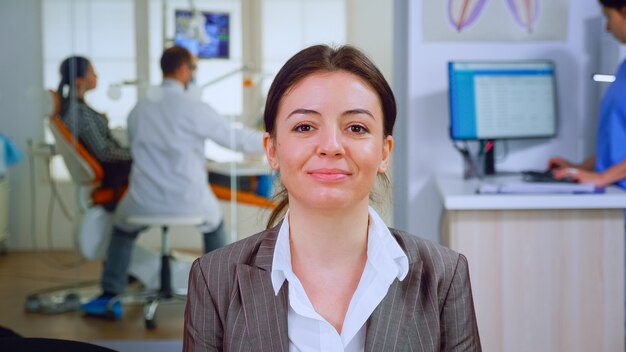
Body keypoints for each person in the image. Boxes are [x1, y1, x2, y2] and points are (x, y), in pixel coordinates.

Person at [183, 44, 481, 351]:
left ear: (384, 152)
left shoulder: (444, 276)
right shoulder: (214, 280)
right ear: (272, 150)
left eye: (356, 127)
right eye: (305, 127)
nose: (331, 146)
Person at [81, 46, 265, 319]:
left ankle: (110, 296)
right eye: (193, 67)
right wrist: (275, 139)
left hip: (143, 199)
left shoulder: (138, 108)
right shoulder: (194, 107)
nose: (193, 73)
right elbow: (233, 138)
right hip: (189, 200)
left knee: (121, 230)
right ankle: (222, 296)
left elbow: (134, 147)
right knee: (214, 225)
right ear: (182, 69)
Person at [549, 0, 626, 188]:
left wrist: (602, 178)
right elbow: (616, 142)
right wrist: (579, 168)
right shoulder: (623, 68)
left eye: (608, 16)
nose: (607, 28)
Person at [57, 56, 131, 210]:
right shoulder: (79, 112)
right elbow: (104, 152)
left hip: (113, 170)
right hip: (113, 173)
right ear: (78, 80)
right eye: (91, 72)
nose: (96, 76)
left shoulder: (76, 109)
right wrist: (134, 154)